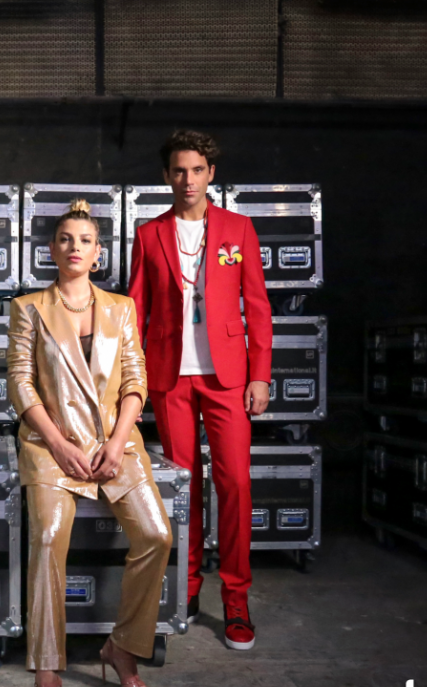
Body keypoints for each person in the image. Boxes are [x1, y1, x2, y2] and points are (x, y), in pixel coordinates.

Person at [8, 200, 174, 687]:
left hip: (114, 443)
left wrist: (119, 441)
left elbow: (135, 379)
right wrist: (57, 444)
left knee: (157, 535)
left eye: (85, 239)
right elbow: (20, 384)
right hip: (50, 445)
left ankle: (121, 649)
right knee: (47, 540)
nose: (74, 246)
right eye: (65, 238)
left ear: (98, 254)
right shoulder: (28, 308)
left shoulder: (122, 308)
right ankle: (49, 682)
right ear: (51, 250)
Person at [128, 129, 272, 651]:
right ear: (166, 176)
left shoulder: (238, 228)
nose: (187, 180)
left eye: (196, 170)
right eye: (178, 171)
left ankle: (236, 599)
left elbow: (258, 306)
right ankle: (185, 586)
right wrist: (131, 381)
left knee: (235, 486)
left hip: (228, 376)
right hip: (170, 377)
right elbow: (134, 310)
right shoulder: (149, 234)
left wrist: (260, 374)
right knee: (182, 488)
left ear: (211, 173)